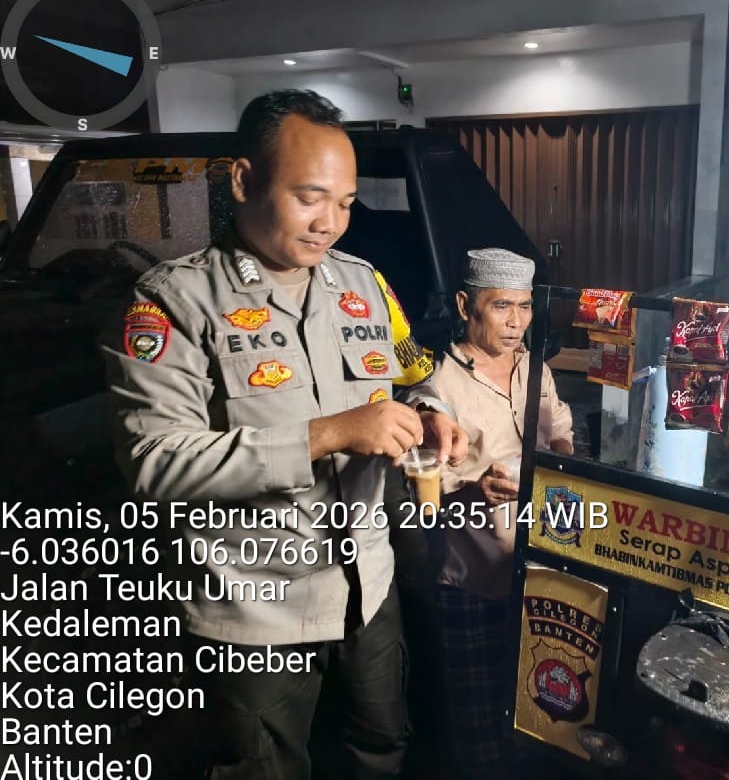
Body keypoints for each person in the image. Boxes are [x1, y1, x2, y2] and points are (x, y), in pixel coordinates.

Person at [101, 89, 467, 779]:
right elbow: (155, 462)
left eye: (346, 203)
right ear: (244, 181)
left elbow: (413, 372)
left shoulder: (362, 284)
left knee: (378, 751)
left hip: (367, 589)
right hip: (253, 612)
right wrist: (327, 434)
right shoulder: (172, 302)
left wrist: (430, 410)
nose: (331, 223)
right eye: (309, 197)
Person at [420, 248, 573, 778]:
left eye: (525, 307)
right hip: (472, 578)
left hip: (540, 573)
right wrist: (472, 490)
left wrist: (563, 459)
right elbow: (421, 491)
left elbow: (561, 437)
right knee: (478, 721)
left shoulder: (536, 370)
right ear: (467, 306)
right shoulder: (437, 384)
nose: (516, 321)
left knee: (537, 703)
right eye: (501, 306)